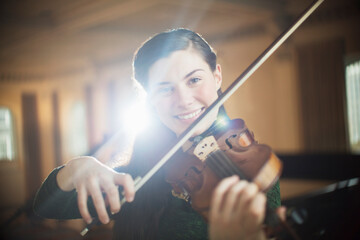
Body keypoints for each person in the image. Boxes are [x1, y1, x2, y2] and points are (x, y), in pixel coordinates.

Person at [33, 28, 281, 240]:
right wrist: (77, 168)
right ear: (150, 100)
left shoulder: (254, 168)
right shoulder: (142, 173)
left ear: (217, 76)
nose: (183, 100)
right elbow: (46, 206)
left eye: (194, 80)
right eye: (165, 90)